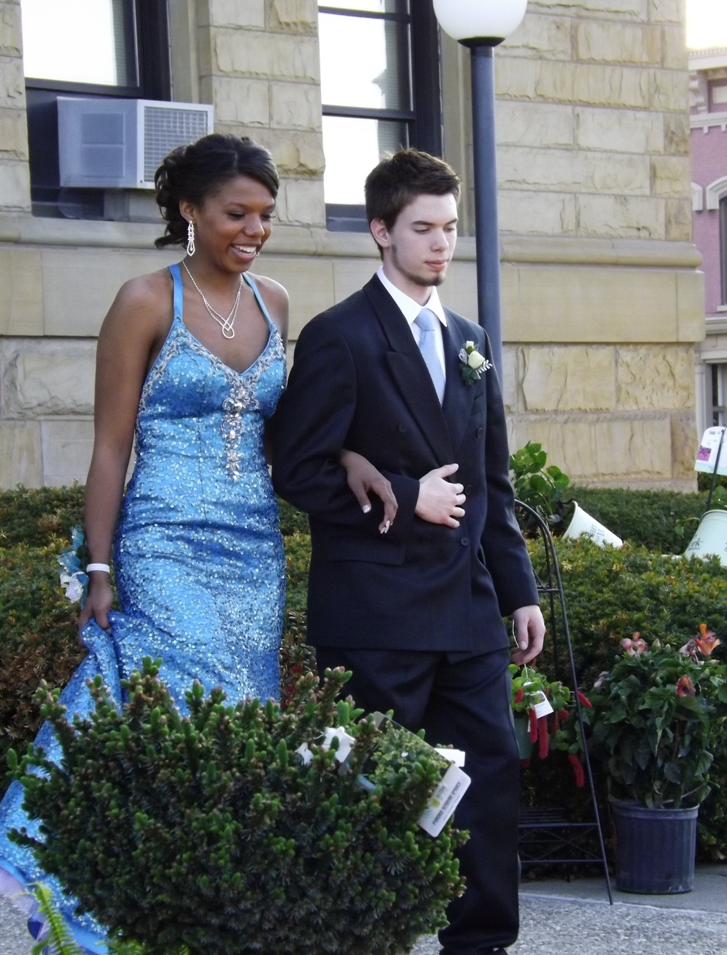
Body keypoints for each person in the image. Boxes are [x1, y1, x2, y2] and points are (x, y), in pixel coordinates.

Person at [0, 133, 391, 953]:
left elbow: (284, 435)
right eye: (236, 213)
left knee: (244, 722)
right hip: (162, 543)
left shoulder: (276, 301)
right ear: (190, 210)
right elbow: (109, 448)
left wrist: (347, 456)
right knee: (176, 716)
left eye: (265, 214)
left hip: (252, 550)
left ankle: (200, 915)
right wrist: (99, 567)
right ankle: (101, 910)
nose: (254, 230)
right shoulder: (143, 301)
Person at [271, 148, 546, 955]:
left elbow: (490, 482)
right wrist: (402, 492)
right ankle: (365, 940)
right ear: (381, 230)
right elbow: (298, 469)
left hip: (466, 609)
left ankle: (481, 944)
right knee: (373, 793)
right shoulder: (340, 336)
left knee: (488, 779)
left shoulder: (470, 339)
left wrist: (519, 592)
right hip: (375, 615)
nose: (440, 244)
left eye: (450, 228)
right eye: (423, 228)